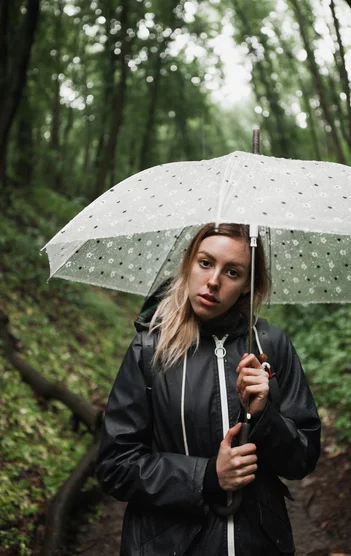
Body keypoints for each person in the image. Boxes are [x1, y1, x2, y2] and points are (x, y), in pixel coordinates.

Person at [96, 223, 321, 556]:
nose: (214, 281)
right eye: (205, 263)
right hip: (167, 545)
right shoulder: (150, 349)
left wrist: (264, 416)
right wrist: (206, 477)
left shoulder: (270, 345)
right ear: (189, 264)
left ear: (247, 286)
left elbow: (303, 458)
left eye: (232, 272)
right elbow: (115, 466)